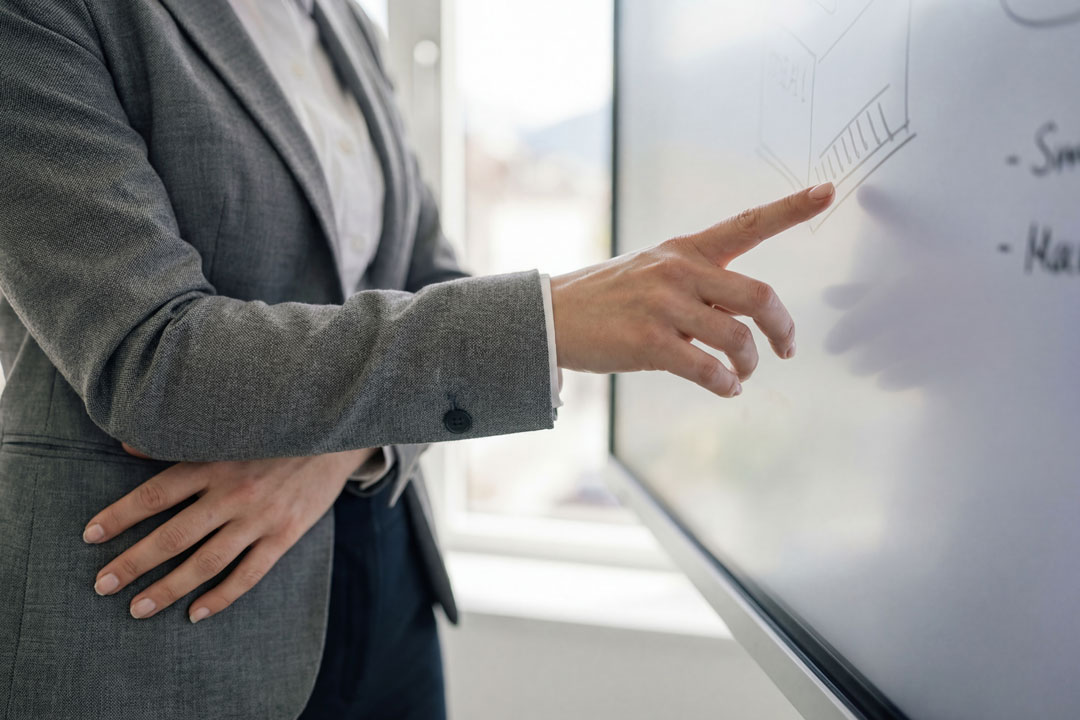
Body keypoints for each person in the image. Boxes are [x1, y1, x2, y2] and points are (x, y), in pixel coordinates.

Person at [0, 0, 835, 718]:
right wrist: (549, 315)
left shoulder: (342, 24)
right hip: (166, 619)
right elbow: (157, 359)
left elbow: (425, 277)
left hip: (382, 563)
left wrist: (335, 453)